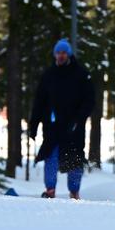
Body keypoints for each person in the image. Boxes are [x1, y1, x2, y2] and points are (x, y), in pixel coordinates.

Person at [28, 39, 94, 199]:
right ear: (55, 55)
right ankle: (50, 190)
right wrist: (34, 125)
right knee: (50, 156)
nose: (61, 56)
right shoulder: (48, 75)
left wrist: (79, 119)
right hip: (52, 126)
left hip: (74, 126)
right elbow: (39, 101)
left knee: (74, 159)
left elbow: (89, 100)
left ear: (69, 54)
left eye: (64, 52)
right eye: (58, 53)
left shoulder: (81, 74)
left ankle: (74, 191)